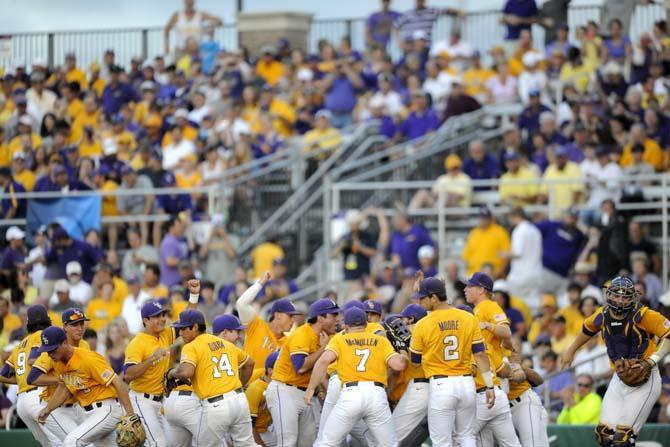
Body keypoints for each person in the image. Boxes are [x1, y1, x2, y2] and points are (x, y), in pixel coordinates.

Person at [561, 276, 670, 445]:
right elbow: (587, 329)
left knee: (623, 439)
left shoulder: (644, 315)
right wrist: (571, 350)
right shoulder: (603, 314)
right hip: (619, 377)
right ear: (609, 295)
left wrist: (652, 361)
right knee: (604, 435)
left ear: (633, 297)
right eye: (617, 296)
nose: (620, 300)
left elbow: (668, 334)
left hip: (645, 377)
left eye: (625, 296)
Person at [410, 277, 495, 446]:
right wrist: (489, 385)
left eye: (422, 298)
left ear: (434, 298)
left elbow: (415, 361)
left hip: (441, 385)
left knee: (441, 442)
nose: (419, 301)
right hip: (466, 384)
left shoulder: (423, 324)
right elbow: (480, 355)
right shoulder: (467, 317)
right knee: (466, 437)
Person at [305, 307, 407, 447]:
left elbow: (323, 361)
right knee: (389, 444)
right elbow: (399, 365)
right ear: (366, 325)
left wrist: (311, 389)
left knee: (326, 442)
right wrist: (403, 350)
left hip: (351, 394)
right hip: (376, 395)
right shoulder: (380, 341)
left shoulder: (340, 339)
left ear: (346, 327)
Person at [166, 307, 256, 447]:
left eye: (184, 328)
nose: (180, 332)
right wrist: (241, 385)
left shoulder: (191, 346)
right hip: (239, 399)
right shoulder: (225, 343)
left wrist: (171, 373)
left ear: (195, 327)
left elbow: (186, 372)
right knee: (248, 445)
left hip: (217, 405)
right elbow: (250, 363)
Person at [34, 325, 136, 447]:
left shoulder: (87, 358)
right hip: (90, 413)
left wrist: (130, 415)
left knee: (73, 441)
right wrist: (48, 409)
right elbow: (65, 388)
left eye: (53, 350)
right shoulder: (58, 363)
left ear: (65, 343)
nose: (50, 354)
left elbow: (117, 382)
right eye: (47, 351)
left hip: (106, 409)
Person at [266, 298, 341, 447]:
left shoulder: (328, 336)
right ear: (320, 317)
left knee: (307, 443)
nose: (337, 319)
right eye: (333, 315)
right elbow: (300, 367)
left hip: (305, 394)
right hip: (285, 390)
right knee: (287, 443)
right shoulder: (302, 334)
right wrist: (322, 349)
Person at [123, 293, 194, 447]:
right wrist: (151, 359)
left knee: (167, 443)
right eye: (156, 316)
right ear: (146, 320)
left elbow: (188, 318)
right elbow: (128, 375)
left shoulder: (165, 334)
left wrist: (194, 295)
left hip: (160, 400)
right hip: (141, 400)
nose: (162, 318)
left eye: (162, 314)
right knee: (158, 443)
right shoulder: (137, 343)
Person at [464, 273, 520, 447]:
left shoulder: (488, 305)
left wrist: (487, 325)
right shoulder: (476, 310)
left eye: (469, 286)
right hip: (491, 379)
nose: (465, 289)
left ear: (481, 289)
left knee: (463, 436)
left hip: (490, 380)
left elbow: (506, 332)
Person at [27, 308, 92, 445]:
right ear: (65, 327)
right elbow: (32, 378)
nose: (80, 328)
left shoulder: (85, 345)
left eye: (82, 324)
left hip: (77, 405)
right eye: (74, 325)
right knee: (79, 443)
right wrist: (61, 379)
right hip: (55, 408)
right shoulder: (55, 346)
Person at [0, 305, 53, 446]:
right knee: (63, 439)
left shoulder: (20, 344)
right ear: (47, 319)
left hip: (22, 403)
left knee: (49, 443)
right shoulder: (42, 335)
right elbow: (32, 359)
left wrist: (21, 379)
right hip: (38, 396)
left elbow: (2, 374)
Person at [236, 272, 300, 370]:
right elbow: (241, 304)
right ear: (278, 315)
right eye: (290, 316)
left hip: (271, 385)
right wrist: (260, 284)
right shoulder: (256, 325)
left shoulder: (288, 342)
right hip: (249, 383)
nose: (293, 320)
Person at [507, 351, 549, 446]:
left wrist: (521, 367)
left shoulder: (506, 348)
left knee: (533, 444)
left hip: (523, 403)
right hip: (502, 409)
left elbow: (539, 381)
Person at [504, 207, 542, 308]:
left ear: (515, 217)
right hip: (535, 273)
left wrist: (503, 254)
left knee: (517, 305)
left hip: (520, 275)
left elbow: (517, 253)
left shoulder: (519, 230)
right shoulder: (535, 230)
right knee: (533, 306)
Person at [461, 206, 510, 278]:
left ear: (491, 219)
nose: (484, 220)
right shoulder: (474, 233)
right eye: (482, 218)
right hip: (474, 274)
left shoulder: (500, 232)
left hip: (493, 275)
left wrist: (498, 274)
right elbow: (466, 257)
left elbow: (506, 256)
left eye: (486, 218)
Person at [393, 0, 463, 45]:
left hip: (425, 46)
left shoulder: (431, 11)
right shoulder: (408, 14)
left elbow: (446, 10)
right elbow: (395, 26)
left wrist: (460, 12)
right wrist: (399, 42)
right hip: (410, 46)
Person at [246, 351, 279, 446]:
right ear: (270, 370)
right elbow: (248, 425)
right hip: (250, 432)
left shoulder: (278, 385)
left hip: (265, 429)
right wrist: (261, 445)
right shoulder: (256, 388)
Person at [159, 215, 188, 288]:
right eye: (178, 226)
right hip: (170, 283)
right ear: (171, 228)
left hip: (176, 282)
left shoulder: (177, 240)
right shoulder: (169, 242)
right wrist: (185, 262)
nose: (181, 228)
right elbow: (169, 261)